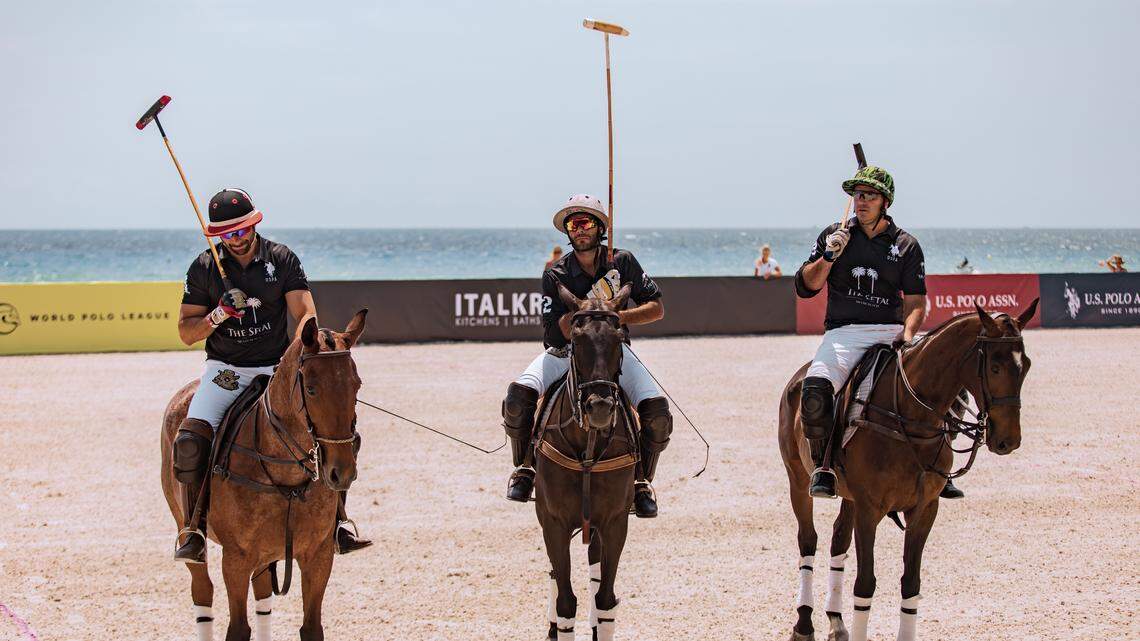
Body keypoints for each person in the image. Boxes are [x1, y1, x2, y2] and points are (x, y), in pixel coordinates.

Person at [171, 187, 371, 563]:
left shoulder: (281, 260)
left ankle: (338, 521)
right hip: (227, 372)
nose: (237, 240)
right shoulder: (203, 268)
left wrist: (301, 355)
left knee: (340, 429)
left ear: (254, 224)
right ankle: (193, 528)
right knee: (190, 439)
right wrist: (218, 315)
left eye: (242, 230)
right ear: (217, 237)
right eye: (227, 235)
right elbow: (186, 332)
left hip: (277, 366)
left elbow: (304, 314)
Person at [794, 166, 963, 500]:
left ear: (885, 201)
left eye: (869, 195)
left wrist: (909, 334)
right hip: (843, 334)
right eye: (857, 195)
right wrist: (829, 256)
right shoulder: (834, 234)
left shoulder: (906, 245)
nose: (861, 201)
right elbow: (806, 286)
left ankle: (939, 467)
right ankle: (823, 467)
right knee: (814, 391)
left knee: (952, 386)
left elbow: (915, 302)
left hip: (891, 332)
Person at [500, 194, 674, 518]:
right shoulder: (555, 274)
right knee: (516, 399)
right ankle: (525, 467)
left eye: (586, 222)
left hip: (613, 353)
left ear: (599, 228)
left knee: (659, 415)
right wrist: (589, 310)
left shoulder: (622, 263)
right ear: (567, 232)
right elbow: (554, 333)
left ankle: (642, 482)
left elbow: (657, 308)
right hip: (565, 353)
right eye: (573, 224)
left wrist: (616, 318)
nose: (579, 229)